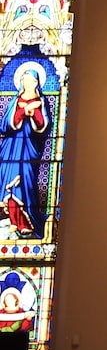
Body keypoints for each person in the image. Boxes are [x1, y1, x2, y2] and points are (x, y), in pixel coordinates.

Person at [0, 64, 49, 239]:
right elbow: (5, 124)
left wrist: (34, 112)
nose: (27, 83)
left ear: (36, 82)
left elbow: (43, 126)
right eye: (24, 80)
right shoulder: (15, 100)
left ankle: (27, 223)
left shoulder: (41, 102)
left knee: (25, 181)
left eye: (30, 80)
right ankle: (12, 220)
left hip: (29, 149)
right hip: (11, 148)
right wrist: (22, 111)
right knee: (9, 181)